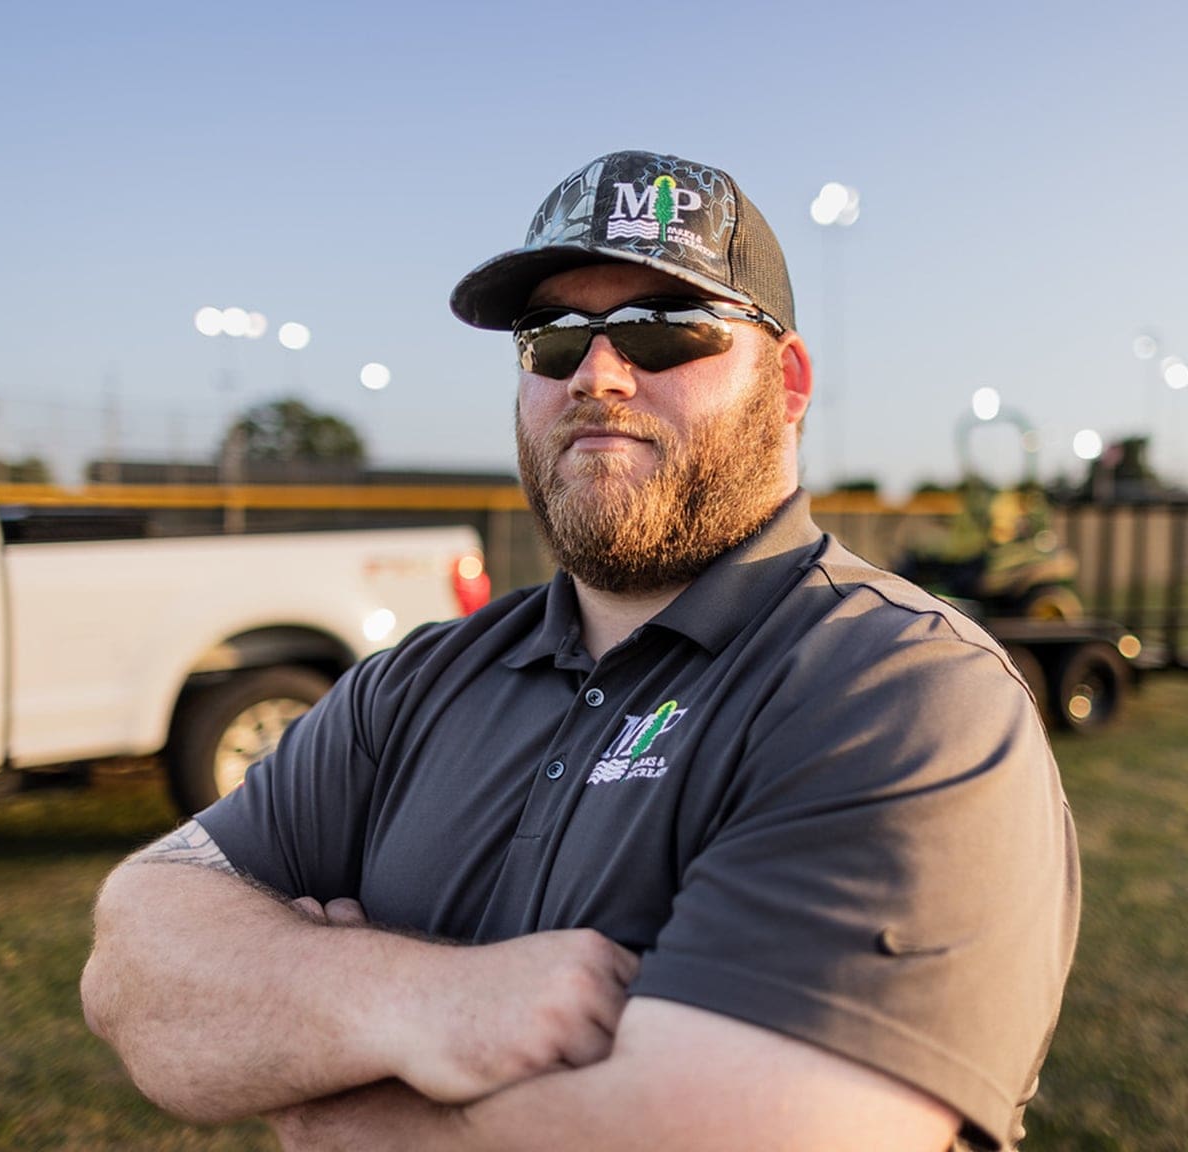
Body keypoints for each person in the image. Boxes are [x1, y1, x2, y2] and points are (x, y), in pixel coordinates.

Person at [81, 149, 1079, 1152]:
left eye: (659, 329)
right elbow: (135, 959)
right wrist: (429, 1001)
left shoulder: (900, 690)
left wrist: (316, 1093)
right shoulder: (414, 685)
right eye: (553, 338)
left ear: (789, 384)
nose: (599, 374)